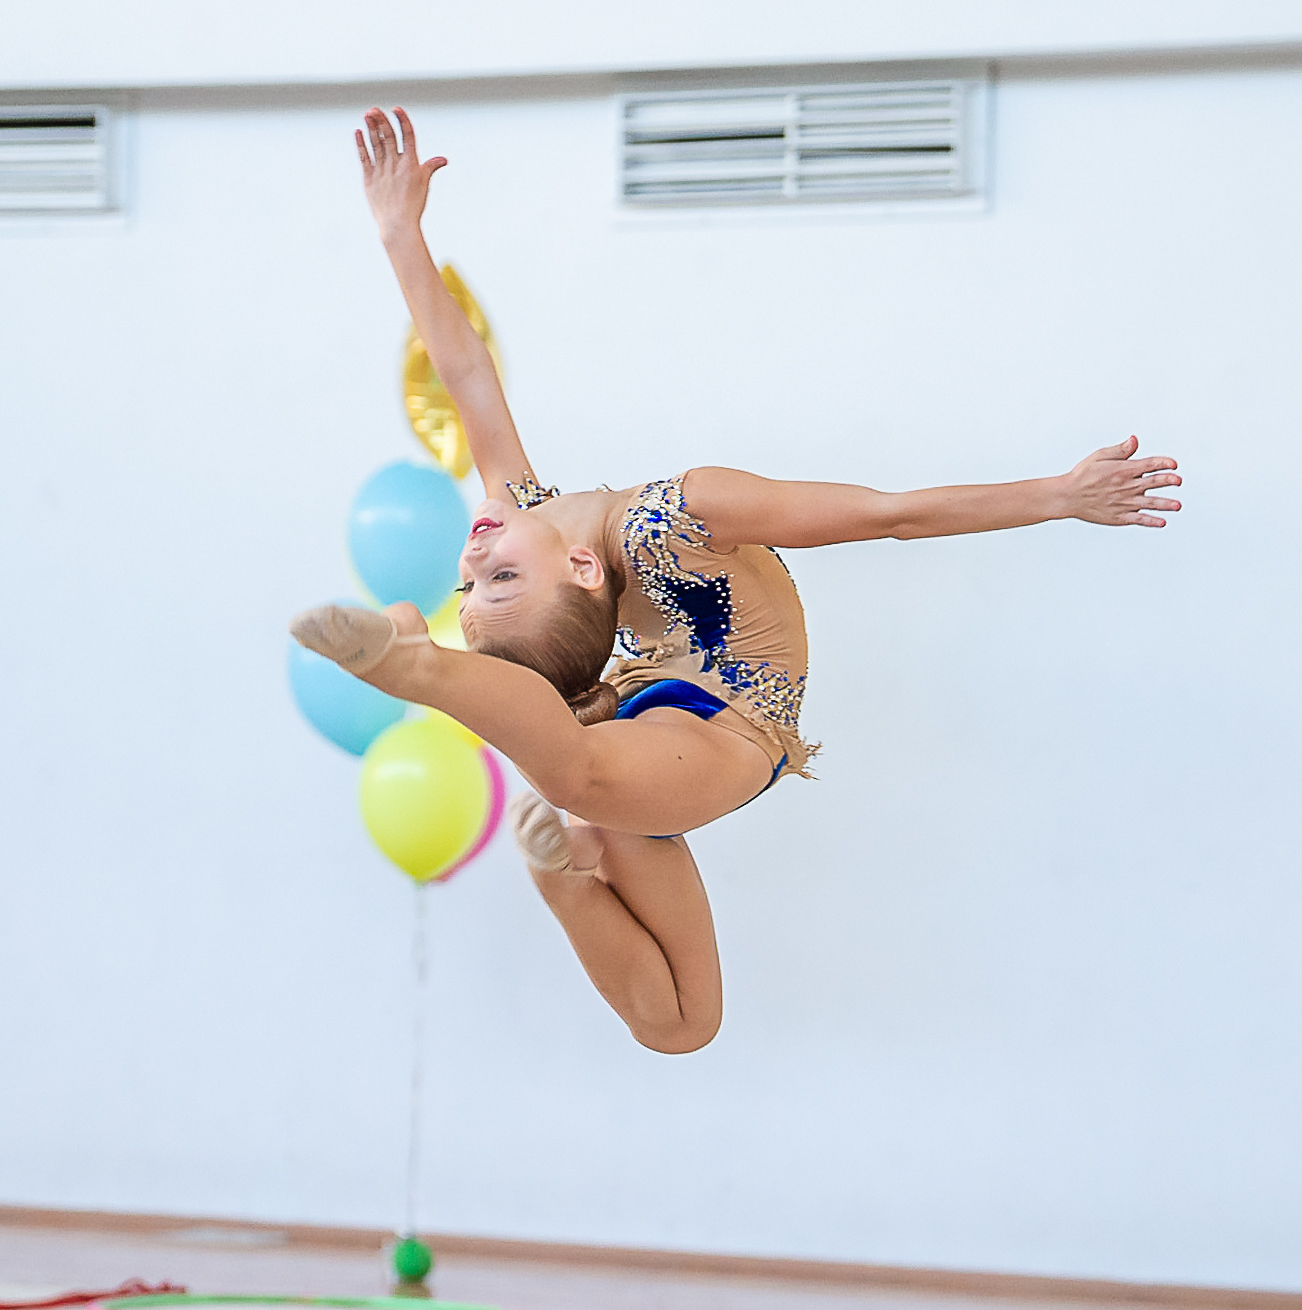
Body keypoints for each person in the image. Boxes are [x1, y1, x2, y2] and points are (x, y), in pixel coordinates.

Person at [292, 108, 1182, 1054]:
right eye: (492, 581)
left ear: (585, 566)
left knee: (675, 1009)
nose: (471, 561)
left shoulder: (592, 513)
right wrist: (1059, 495)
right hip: (688, 730)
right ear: (580, 571)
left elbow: (467, 375)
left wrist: (400, 232)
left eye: (477, 583)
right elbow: (887, 515)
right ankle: (451, 703)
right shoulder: (621, 518)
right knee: (641, 924)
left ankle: (529, 821)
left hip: (667, 730)